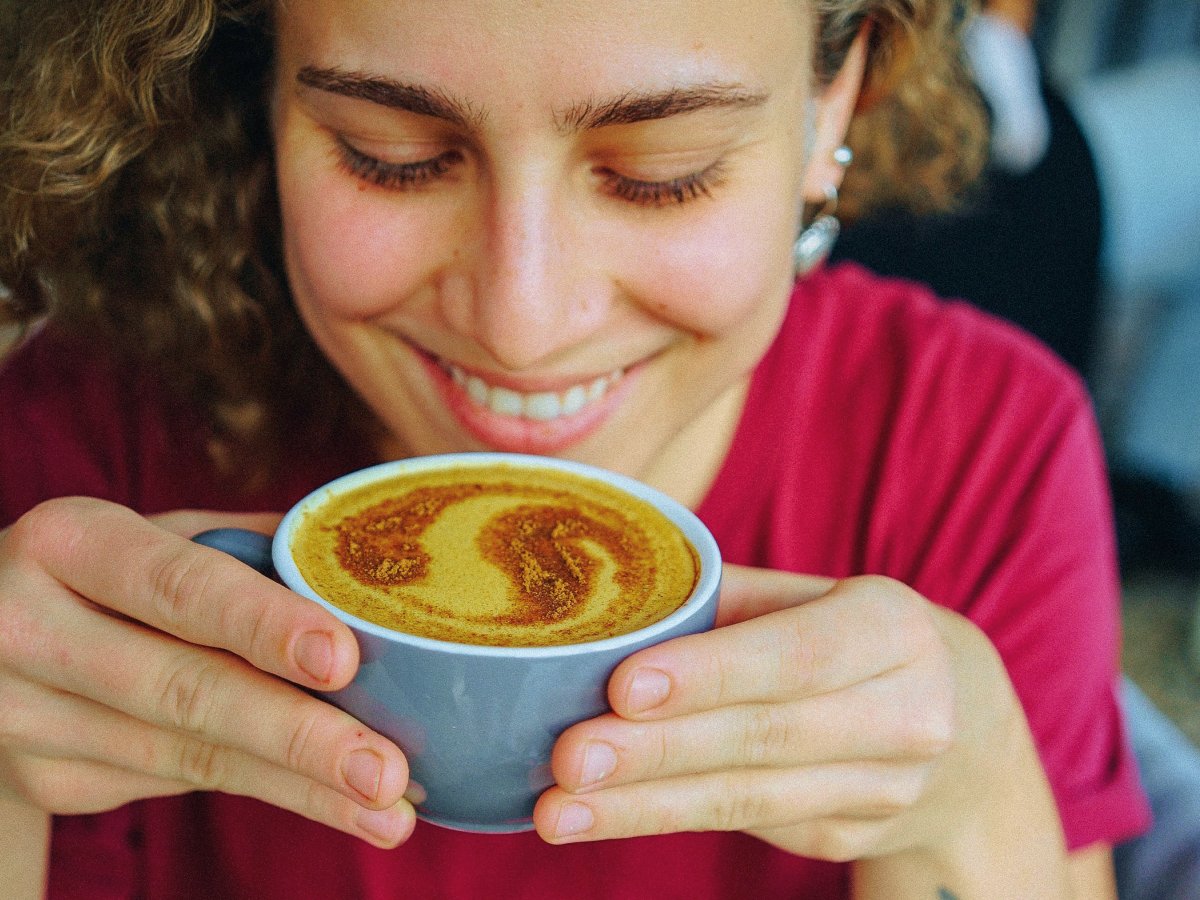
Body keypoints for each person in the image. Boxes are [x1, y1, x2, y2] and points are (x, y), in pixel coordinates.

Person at [0, 1, 1150, 897]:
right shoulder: (84, 459)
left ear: (835, 104)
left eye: (662, 173)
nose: (521, 320)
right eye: (390, 155)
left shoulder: (977, 449)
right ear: (262, 104)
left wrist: (970, 787)